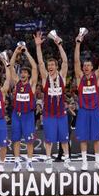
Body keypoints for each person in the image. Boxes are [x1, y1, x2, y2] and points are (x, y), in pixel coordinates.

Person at [35, 31, 76, 173]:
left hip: (61, 114)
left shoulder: (62, 76)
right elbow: (40, 62)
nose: (50, 66)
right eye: (49, 65)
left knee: (64, 140)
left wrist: (59, 45)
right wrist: (38, 46)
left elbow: (65, 61)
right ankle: (48, 162)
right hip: (49, 115)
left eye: (53, 64)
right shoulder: (45, 77)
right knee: (49, 140)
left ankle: (67, 161)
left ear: (56, 66)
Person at [74, 35, 99, 171]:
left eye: (88, 65)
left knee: (96, 138)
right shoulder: (80, 77)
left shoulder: (97, 76)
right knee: (83, 138)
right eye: (85, 65)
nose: (86, 67)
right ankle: (84, 162)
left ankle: (96, 161)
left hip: (95, 110)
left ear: (92, 67)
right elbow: (76, 61)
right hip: (83, 111)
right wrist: (78, 43)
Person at [9, 43, 38, 172]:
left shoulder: (31, 84)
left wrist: (26, 52)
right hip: (17, 114)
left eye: (26, 72)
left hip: (28, 115)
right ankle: (17, 162)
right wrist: (16, 52)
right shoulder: (17, 82)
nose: (23, 74)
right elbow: (10, 67)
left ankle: (29, 162)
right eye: (22, 72)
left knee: (29, 140)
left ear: (28, 75)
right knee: (16, 139)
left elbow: (35, 67)